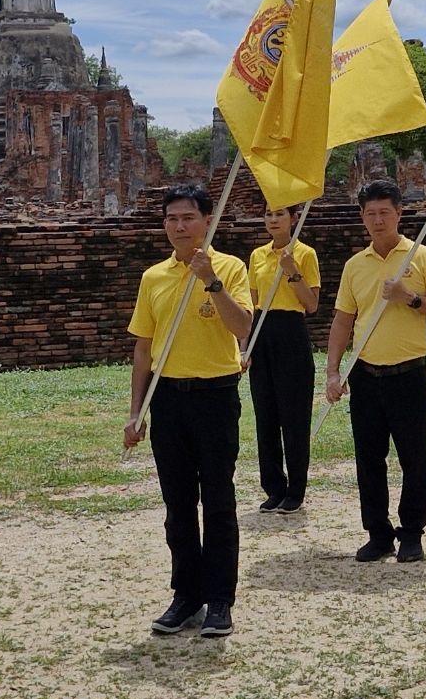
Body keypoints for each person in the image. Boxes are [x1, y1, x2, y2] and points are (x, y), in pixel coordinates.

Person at [123, 184, 254, 638]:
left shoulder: (230, 267)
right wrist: (136, 412)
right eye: (172, 219)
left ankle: (219, 599)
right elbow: (143, 349)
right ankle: (186, 594)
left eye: (188, 218)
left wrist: (210, 281)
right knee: (178, 503)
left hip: (215, 395)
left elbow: (242, 326)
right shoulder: (153, 277)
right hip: (168, 399)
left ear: (206, 221)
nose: (180, 226)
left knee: (217, 499)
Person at [324, 180, 426, 564]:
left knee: (413, 458)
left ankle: (411, 533)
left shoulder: (422, 257)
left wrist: (409, 298)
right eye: (371, 213)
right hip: (365, 375)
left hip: (408, 375)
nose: (378, 220)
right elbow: (342, 320)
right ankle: (378, 533)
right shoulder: (355, 265)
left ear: (399, 213)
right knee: (369, 460)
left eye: (385, 212)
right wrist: (333, 372)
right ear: (362, 217)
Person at [244, 203, 321, 514]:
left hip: (291, 332)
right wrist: (245, 347)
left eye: (280, 214)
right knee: (266, 415)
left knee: (294, 416)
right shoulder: (257, 255)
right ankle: (274, 486)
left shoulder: (305, 253)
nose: (273, 220)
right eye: (268, 214)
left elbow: (311, 304)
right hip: (262, 330)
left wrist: (292, 272)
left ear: (294, 219)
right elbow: (251, 304)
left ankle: (296, 489)